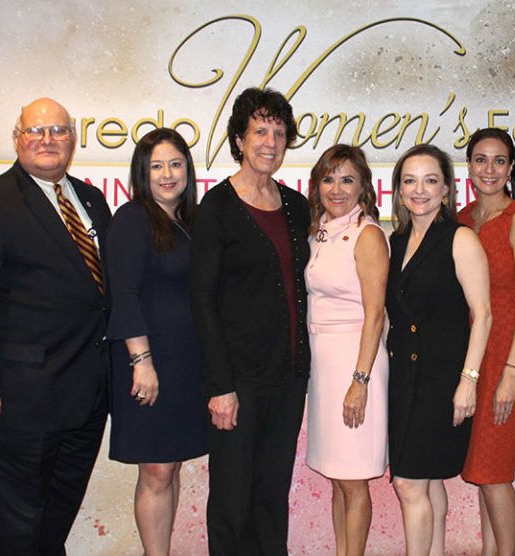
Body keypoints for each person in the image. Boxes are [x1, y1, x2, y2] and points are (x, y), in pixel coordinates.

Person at [0, 98, 112, 556]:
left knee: (51, 526)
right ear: (17, 138)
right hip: (17, 403)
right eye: (36, 131)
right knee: (12, 529)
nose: (47, 140)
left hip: (86, 400)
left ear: (73, 140)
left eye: (57, 131)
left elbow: (102, 295)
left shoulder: (91, 199)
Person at [190, 87, 310, 555]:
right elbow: (202, 301)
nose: (271, 142)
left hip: (289, 379)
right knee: (233, 504)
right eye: (260, 130)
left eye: (280, 133)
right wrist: (220, 387)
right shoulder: (216, 209)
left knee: (270, 500)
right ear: (238, 139)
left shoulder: (298, 207)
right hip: (236, 382)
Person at [105, 128, 208, 555]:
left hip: (186, 365)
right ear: (142, 174)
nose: (167, 174)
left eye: (176, 164)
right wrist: (141, 362)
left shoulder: (190, 223)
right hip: (149, 365)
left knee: (171, 464)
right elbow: (123, 294)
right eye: (156, 166)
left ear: (188, 169)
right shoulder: (133, 218)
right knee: (156, 470)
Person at [386, 144, 492, 556]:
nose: (420, 189)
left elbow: (482, 315)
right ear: (397, 190)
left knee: (408, 482)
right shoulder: (395, 242)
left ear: (447, 188)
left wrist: (468, 382)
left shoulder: (460, 238)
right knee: (426, 482)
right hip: (404, 380)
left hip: (443, 379)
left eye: (430, 180)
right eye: (410, 180)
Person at [457, 128, 515, 556]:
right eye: (480, 159)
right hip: (472, 356)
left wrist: (511, 373)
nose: (489, 169)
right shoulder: (462, 217)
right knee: (480, 467)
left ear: (511, 168)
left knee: (492, 469)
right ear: (468, 165)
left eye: (499, 161)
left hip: (508, 355)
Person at [304, 144, 389, 556]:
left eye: (347, 179)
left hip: (357, 363)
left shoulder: (368, 234)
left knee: (354, 479)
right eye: (328, 178)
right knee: (338, 477)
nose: (336, 188)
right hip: (324, 366)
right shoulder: (319, 231)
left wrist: (360, 381)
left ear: (363, 188)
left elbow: (375, 316)